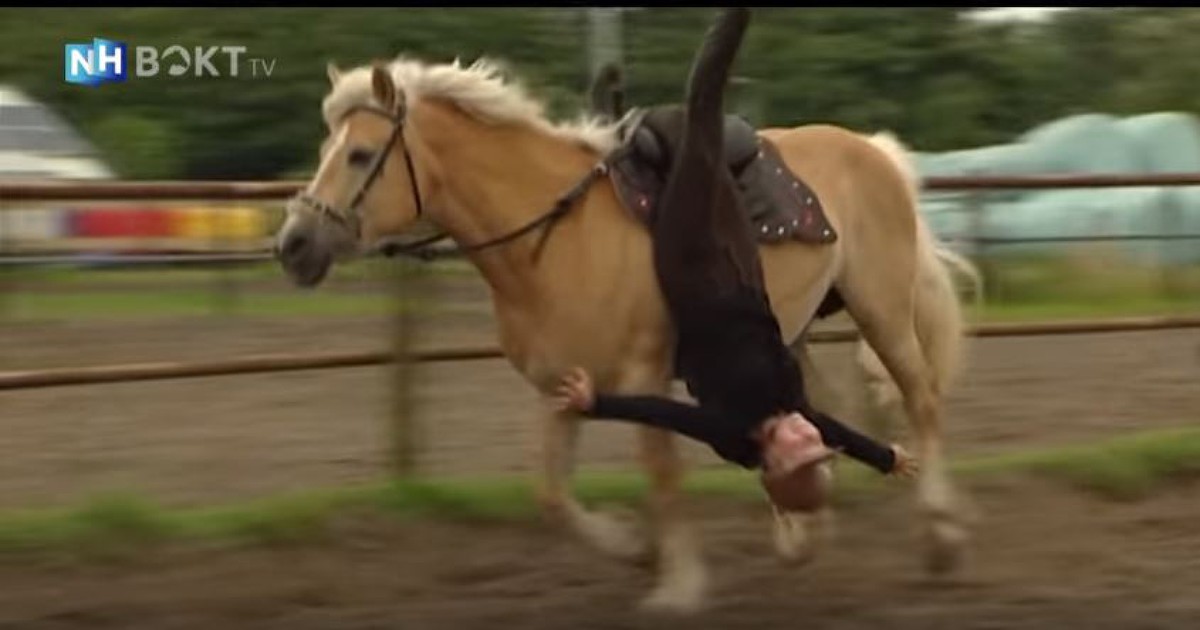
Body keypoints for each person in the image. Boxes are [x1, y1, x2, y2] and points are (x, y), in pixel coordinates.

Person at [553, 8, 917, 513]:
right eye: (818, 445)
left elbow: (665, 414)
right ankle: (622, 133)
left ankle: (734, 21)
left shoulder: (729, 426)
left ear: (772, 461)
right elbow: (832, 428)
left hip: (694, 263)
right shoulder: (794, 411)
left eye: (803, 450)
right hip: (744, 275)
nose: (811, 435)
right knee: (720, 157)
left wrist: (596, 405)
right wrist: (883, 457)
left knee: (703, 114)